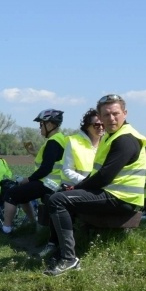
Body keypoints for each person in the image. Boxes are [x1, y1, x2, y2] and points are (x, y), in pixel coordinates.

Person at [44, 94, 146, 276]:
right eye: (106, 115)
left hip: (121, 199)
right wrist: (75, 188)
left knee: (57, 200)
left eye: (116, 113)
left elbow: (104, 177)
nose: (111, 118)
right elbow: (99, 176)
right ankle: (57, 249)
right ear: (100, 116)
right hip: (112, 194)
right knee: (60, 195)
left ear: (125, 113)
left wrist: (77, 188)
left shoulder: (125, 139)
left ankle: (69, 259)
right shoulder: (112, 136)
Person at [38, 109, 104, 259]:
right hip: (75, 186)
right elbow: (67, 170)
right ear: (87, 126)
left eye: (103, 125)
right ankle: (54, 244)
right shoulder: (74, 141)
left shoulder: (107, 143)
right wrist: (86, 183)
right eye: (96, 124)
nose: (101, 127)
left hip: (97, 189)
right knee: (57, 200)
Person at [1, 109, 66, 234]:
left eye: (41, 124)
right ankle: (33, 224)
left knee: (10, 194)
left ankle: (6, 229)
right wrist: (34, 153)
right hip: (54, 182)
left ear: (50, 124)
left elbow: (46, 168)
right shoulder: (60, 139)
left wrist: (28, 179)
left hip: (48, 183)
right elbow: (52, 159)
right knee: (23, 195)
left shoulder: (53, 142)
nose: (40, 128)